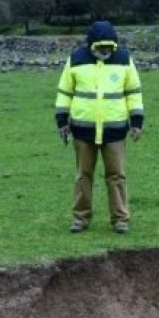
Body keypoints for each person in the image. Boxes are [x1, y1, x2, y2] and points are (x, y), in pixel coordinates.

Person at [54, 21, 144, 234]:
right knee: (83, 175)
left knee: (117, 176)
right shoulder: (75, 60)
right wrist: (62, 122)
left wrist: (137, 122)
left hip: (115, 132)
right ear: (91, 44)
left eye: (109, 47)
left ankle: (120, 219)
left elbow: (133, 92)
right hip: (82, 131)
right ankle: (80, 219)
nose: (106, 51)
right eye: (101, 47)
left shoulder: (124, 60)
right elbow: (65, 93)